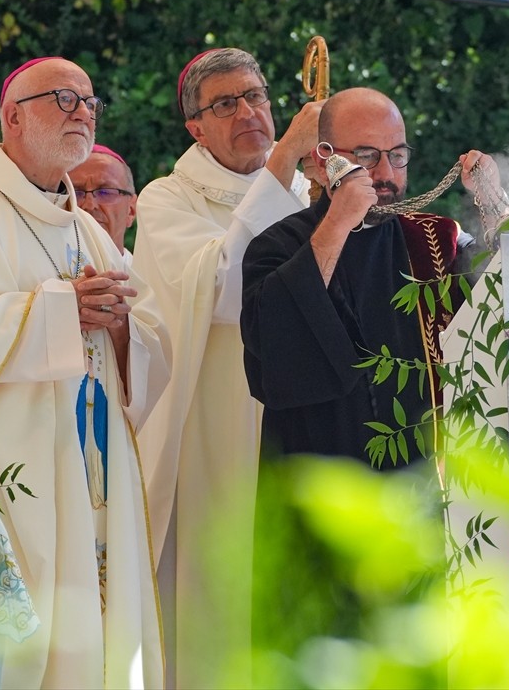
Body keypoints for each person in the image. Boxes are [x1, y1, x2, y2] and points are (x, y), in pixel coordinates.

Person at [0, 57, 169, 689]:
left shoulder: (90, 233)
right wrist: (58, 310)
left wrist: (122, 326)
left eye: (90, 103)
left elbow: (144, 345)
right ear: (11, 117)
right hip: (15, 473)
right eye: (63, 100)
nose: (82, 113)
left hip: (94, 470)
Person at [130, 47, 323, 688]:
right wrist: (284, 159)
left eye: (256, 96)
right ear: (196, 127)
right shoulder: (167, 198)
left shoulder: (310, 190)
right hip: (219, 427)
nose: (248, 111)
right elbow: (226, 291)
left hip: (308, 418)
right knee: (226, 586)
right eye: (225, 103)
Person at [240, 86, 507, 458]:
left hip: (427, 486)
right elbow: (274, 355)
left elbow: (507, 300)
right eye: (366, 156)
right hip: (324, 485)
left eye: (397, 156)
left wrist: (493, 200)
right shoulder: (275, 247)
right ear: (324, 160)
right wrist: (338, 223)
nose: (385, 173)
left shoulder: (432, 238)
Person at [70, 144, 138, 261]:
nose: (89, 205)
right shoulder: (42, 274)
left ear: (131, 210)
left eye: (105, 192)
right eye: (76, 193)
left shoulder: (149, 277)